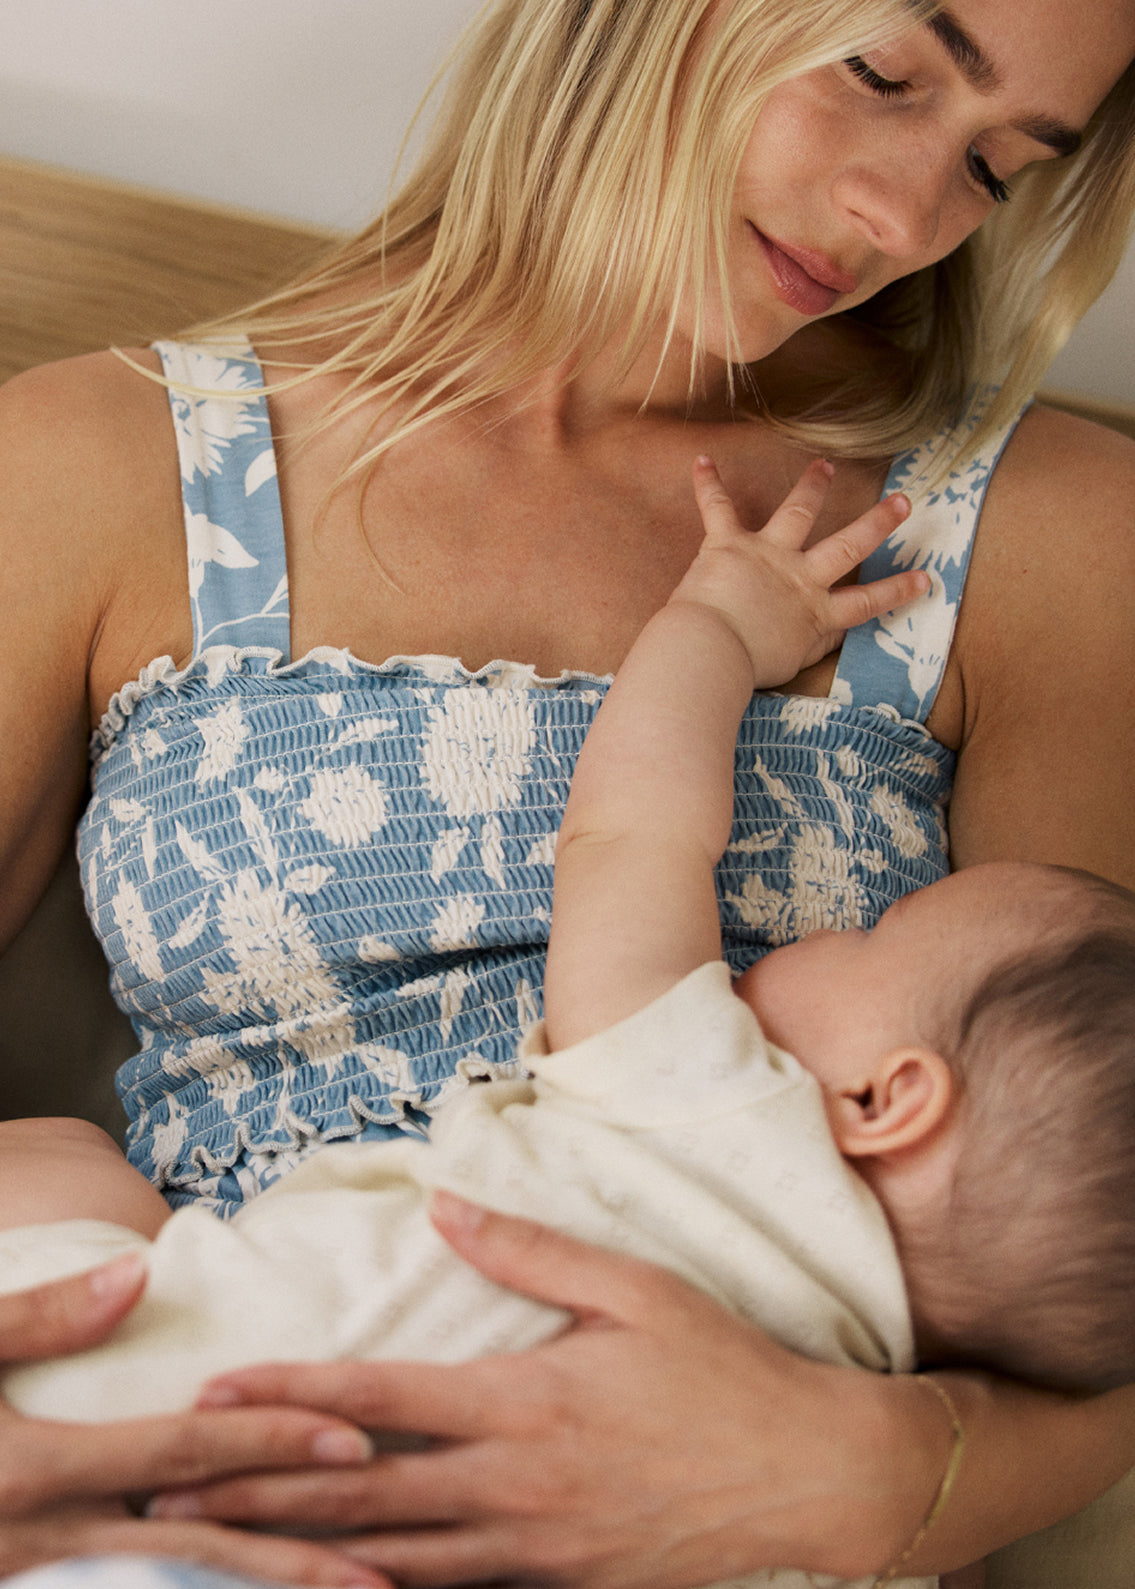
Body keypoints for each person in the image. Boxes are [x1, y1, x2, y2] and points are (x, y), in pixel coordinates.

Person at [2, 0, 1135, 1584]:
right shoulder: (88, 463)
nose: (904, 219)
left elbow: (1095, 1250)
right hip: (215, 1430)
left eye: (998, 170)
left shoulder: (1043, 533)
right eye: (877, 74)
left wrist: (870, 1470)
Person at [0, 463, 1133, 1535]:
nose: (846, 934)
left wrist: (719, 630)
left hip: (160, 1428)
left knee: (59, 1161)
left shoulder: (711, 1104)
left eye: (878, 930)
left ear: (887, 1096)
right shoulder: (878, 1371)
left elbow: (631, 836)